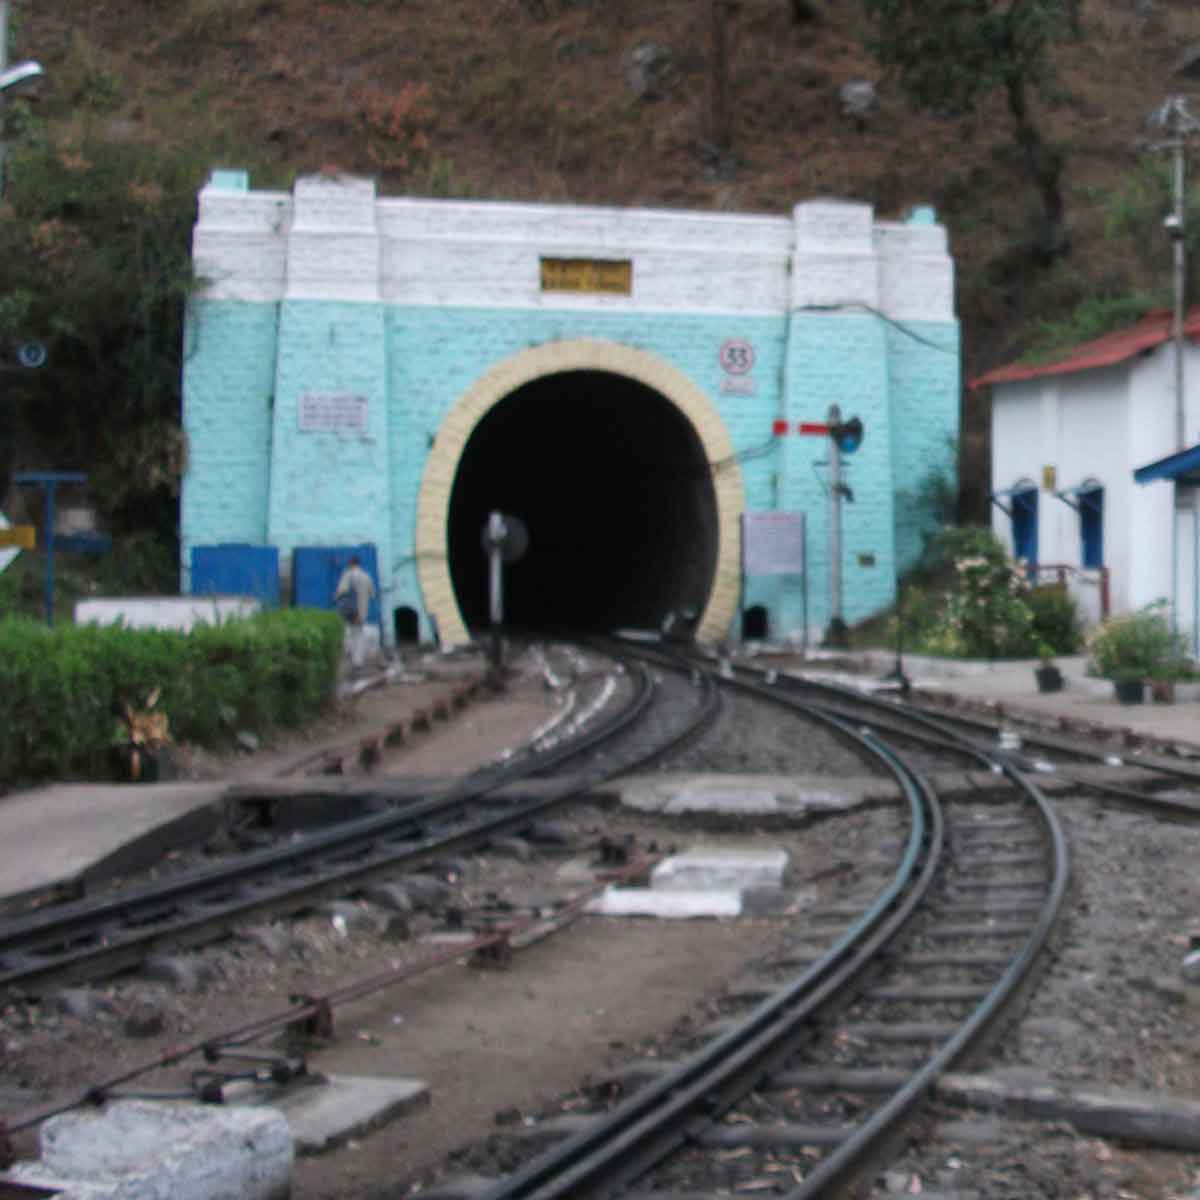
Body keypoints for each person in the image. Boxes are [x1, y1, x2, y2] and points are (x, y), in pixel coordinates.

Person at [334, 555, 376, 672]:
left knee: (346, 633)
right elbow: (373, 594)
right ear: (359, 564)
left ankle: (346, 659)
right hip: (362, 611)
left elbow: (342, 590)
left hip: (349, 610)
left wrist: (335, 598)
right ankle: (358, 661)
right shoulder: (367, 576)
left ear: (350, 563)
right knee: (359, 634)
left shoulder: (348, 575)